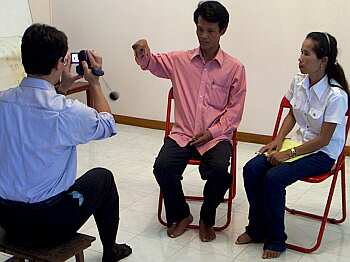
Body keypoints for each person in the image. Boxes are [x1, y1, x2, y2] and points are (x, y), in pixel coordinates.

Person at [0, 24, 131, 262]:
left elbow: (40, 116)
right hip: (48, 225)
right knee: (103, 177)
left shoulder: (3, 101)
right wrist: (94, 83)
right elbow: (108, 125)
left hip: (7, 218)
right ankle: (110, 251)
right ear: (61, 62)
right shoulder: (66, 111)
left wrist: (64, 86)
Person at [132, 1, 246, 242]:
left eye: (210, 31)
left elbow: (234, 112)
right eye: (200, 29)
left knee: (219, 172)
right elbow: (151, 62)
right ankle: (181, 214)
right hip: (183, 134)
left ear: (222, 30)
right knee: (162, 167)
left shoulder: (235, 68)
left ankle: (207, 218)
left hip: (215, 138)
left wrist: (212, 132)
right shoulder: (180, 60)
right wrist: (143, 53)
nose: (204, 36)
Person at [236, 32, 349, 259]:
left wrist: (288, 154)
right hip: (296, 142)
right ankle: (256, 228)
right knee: (252, 169)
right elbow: (292, 115)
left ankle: (277, 240)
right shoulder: (298, 81)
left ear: (323, 60)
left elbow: (323, 140)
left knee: (274, 178)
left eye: (306, 53)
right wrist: (278, 140)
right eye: (301, 51)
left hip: (322, 153)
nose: (300, 58)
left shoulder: (336, 95)